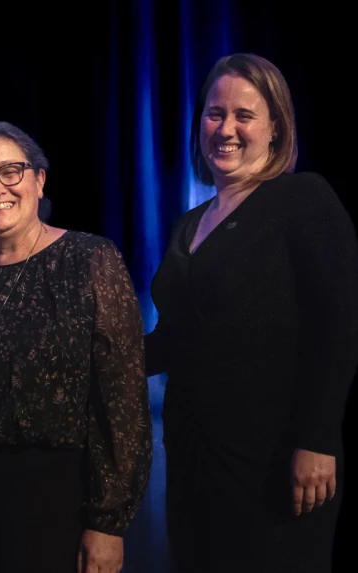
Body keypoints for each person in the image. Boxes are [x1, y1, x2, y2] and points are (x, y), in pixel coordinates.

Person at [145, 53, 358, 572]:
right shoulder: (189, 224)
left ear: (276, 127)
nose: (226, 129)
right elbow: (173, 339)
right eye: (215, 114)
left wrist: (317, 440)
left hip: (275, 462)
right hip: (196, 460)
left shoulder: (302, 199)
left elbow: (335, 327)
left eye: (244, 115)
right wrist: (85, 354)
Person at [0, 121, 152, 573]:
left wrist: (108, 522)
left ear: (39, 180)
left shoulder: (89, 258)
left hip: (53, 501)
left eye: (10, 171)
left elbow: (122, 398)